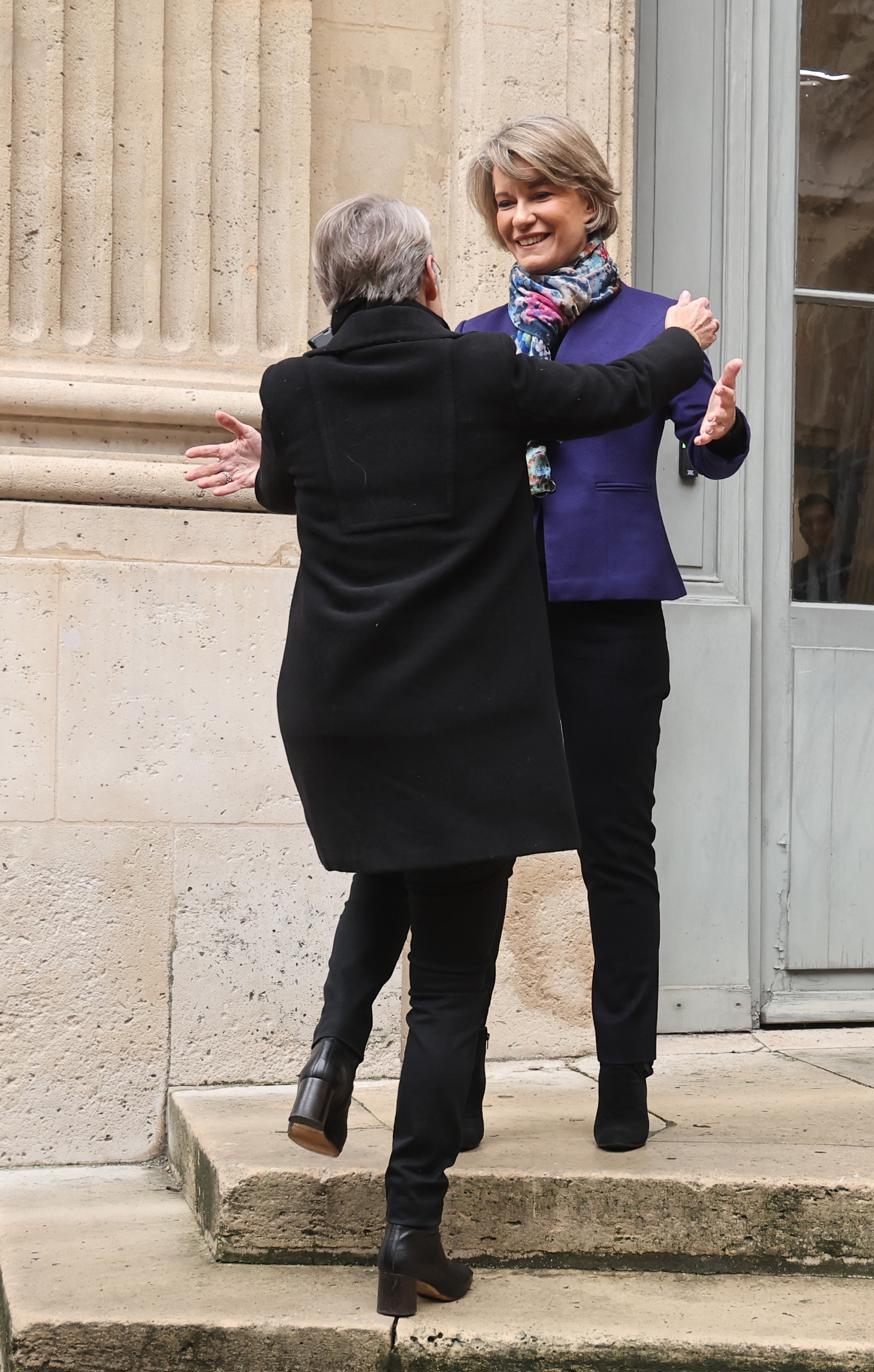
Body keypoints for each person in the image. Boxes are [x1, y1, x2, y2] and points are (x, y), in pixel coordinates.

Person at [189, 193, 718, 1313]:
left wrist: (271, 463)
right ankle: (410, 1228)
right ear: (430, 279)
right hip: (464, 712)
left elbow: (295, 486)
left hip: (339, 711)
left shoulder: (293, 389)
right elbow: (614, 393)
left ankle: (330, 1059)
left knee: (386, 869)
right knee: (450, 991)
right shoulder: (481, 375)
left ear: (335, 288)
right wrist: (687, 338)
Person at [791, 491, 851, 602]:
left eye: (823, 520)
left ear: (835, 524)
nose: (816, 528)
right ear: (801, 531)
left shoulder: (855, 569)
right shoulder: (792, 575)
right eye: (808, 523)